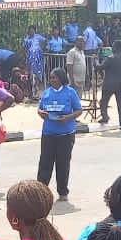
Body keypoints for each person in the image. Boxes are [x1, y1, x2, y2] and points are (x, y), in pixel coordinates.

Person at [37, 68, 83, 201]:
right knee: (45, 163)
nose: (52, 80)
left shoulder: (70, 92)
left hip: (65, 134)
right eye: (50, 78)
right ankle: (41, 191)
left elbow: (79, 110)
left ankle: (63, 192)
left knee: (62, 164)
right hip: (48, 134)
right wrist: (41, 113)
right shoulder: (46, 93)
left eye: (54, 78)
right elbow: (40, 108)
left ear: (61, 78)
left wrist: (68, 117)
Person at [98, 40, 121, 130]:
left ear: (115, 47)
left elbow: (100, 67)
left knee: (104, 102)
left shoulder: (110, 58)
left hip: (109, 84)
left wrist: (95, 61)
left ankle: (105, 117)